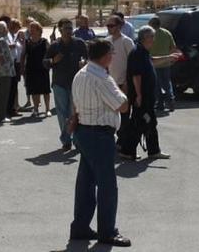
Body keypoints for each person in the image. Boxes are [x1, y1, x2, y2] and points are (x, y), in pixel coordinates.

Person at [69, 39, 132, 247]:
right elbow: (122, 105)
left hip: (85, 132)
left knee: (86, 183)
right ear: (106, 56)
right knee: (107, 185)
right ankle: (107, 231)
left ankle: (80, 227)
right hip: (98, 134)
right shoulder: (101, 78)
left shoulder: (83, 73)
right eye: (112, 54)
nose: (113, 57)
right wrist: (126, 93)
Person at [119, 26, 181, 160]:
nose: (154, 40)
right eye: (152, 37)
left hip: (147, 96)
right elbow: (136, 76)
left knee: (149, 122)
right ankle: (127, 150)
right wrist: (139, 95)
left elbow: (152, 61)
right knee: (139, 123)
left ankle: (153, 151)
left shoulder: (144, 52)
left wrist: (169, 58)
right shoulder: (137, 53)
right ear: (145, 38)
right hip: (142, 96)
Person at [44, 18, 89, 152]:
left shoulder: (79, 43)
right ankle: (66, 140)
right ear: (60, 30)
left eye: (70, 28)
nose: (69, 31)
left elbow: (89, 58)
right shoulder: (55, 46)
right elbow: (45, 63)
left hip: (76, 83)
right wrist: (53, 60)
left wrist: (84, 62)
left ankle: (76, 139)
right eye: (66, 28)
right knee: (62, 113)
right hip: (59, 84)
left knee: (74, 113)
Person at [105, 15, 136, 149]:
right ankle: (115, 139)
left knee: (124, 114)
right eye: (107, 26)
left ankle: (124, 142)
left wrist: (127, 84)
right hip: (110, 84)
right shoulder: (106, 42)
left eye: (111, 26)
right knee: (111, 114)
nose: (109, 28)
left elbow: (133, 63)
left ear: (119, 26)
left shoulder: (127, 42)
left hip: (124, 83)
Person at [149, 16, 180, 112]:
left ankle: (160, 104)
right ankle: (171, 100)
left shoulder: (150, 34)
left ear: (151, 25)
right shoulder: (167, 33)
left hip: (154, 63)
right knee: (167, 83)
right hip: (166, 63)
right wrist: (170, 58)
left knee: (157, 85)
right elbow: (173, 48)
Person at [22, 21, 51, 116]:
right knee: (34, 89)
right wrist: (22, 67)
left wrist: (50, 64)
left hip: (43, 68)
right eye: (30, 28)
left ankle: (47, 109)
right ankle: (36, 109)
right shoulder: (27, 42)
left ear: (39, 30)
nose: (31, 30)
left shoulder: (44, 41)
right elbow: (23, 55)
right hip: (31, 68)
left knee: (45, 89)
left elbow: (50, 52)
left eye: (33, 28)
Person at [7, 19, 24, 118]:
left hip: (16, 63)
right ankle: (11, 109)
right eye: (18, 27)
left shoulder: (14, 36)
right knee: (11, 87)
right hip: (11, 63)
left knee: (14, 87)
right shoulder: (8, 35)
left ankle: (13, 107)